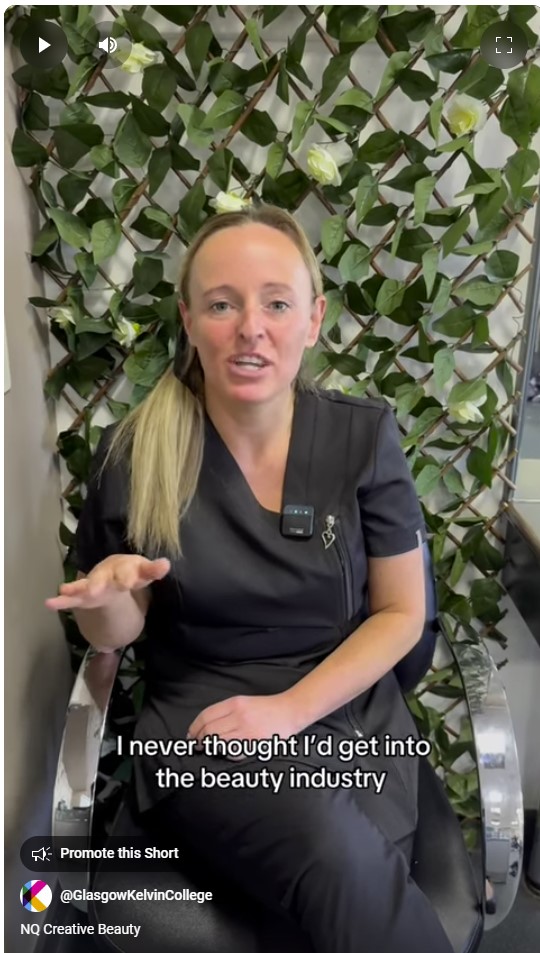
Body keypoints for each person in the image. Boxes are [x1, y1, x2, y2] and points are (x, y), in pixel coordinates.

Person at [46, 205, 453, 953]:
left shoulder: (363, 437)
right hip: (207, 727)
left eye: (275, 302)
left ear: (313, 318)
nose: (250, 328)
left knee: (337, 866)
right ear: (190, 319)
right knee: (331, 854)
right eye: (223, 303)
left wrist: (291, 710)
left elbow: (401, 613)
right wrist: (105, 602)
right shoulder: (135, 451)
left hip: (345, 717)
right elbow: (114, 635)